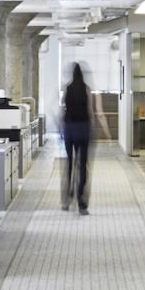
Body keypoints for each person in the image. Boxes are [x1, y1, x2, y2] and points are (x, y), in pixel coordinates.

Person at [58, 63, 105, 214]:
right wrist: (93, 130)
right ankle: (82, 204)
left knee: (69, 164)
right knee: (83, 166)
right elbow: (90, 111)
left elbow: (62, 109)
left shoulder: (67, 88)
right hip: (84, 129)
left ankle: (66, 200)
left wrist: (61, 128)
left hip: (70, 129)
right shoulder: (86, 89)